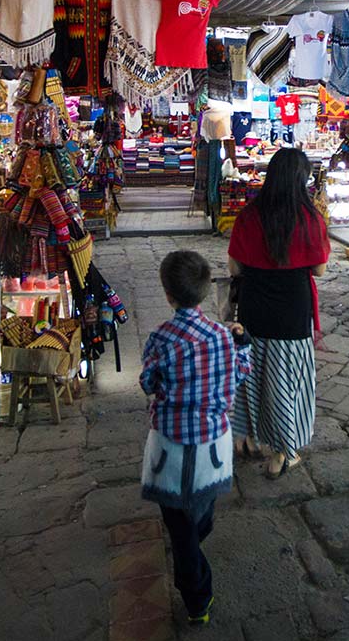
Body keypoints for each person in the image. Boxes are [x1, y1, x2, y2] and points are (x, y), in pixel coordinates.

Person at [139, 250, 250, 625]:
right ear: (204, 292)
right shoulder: (222, 336)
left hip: (170, 449)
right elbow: (237, 376)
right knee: (199, 516)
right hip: (212, 448)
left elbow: (148, 384)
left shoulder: (160, 338)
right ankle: (191, 555)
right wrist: (244, 343)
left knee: (181, 529)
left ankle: (196, 600)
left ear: (168, 294)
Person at [228, 147, 331, 479]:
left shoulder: (248, 215)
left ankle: (249, 440)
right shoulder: (310, 217)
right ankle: (282, 453)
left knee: (254, 376)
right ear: (302, 179)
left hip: (254, 308)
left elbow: (234, 267)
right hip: (293, 312)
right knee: (287, 383)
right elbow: (319, 270)